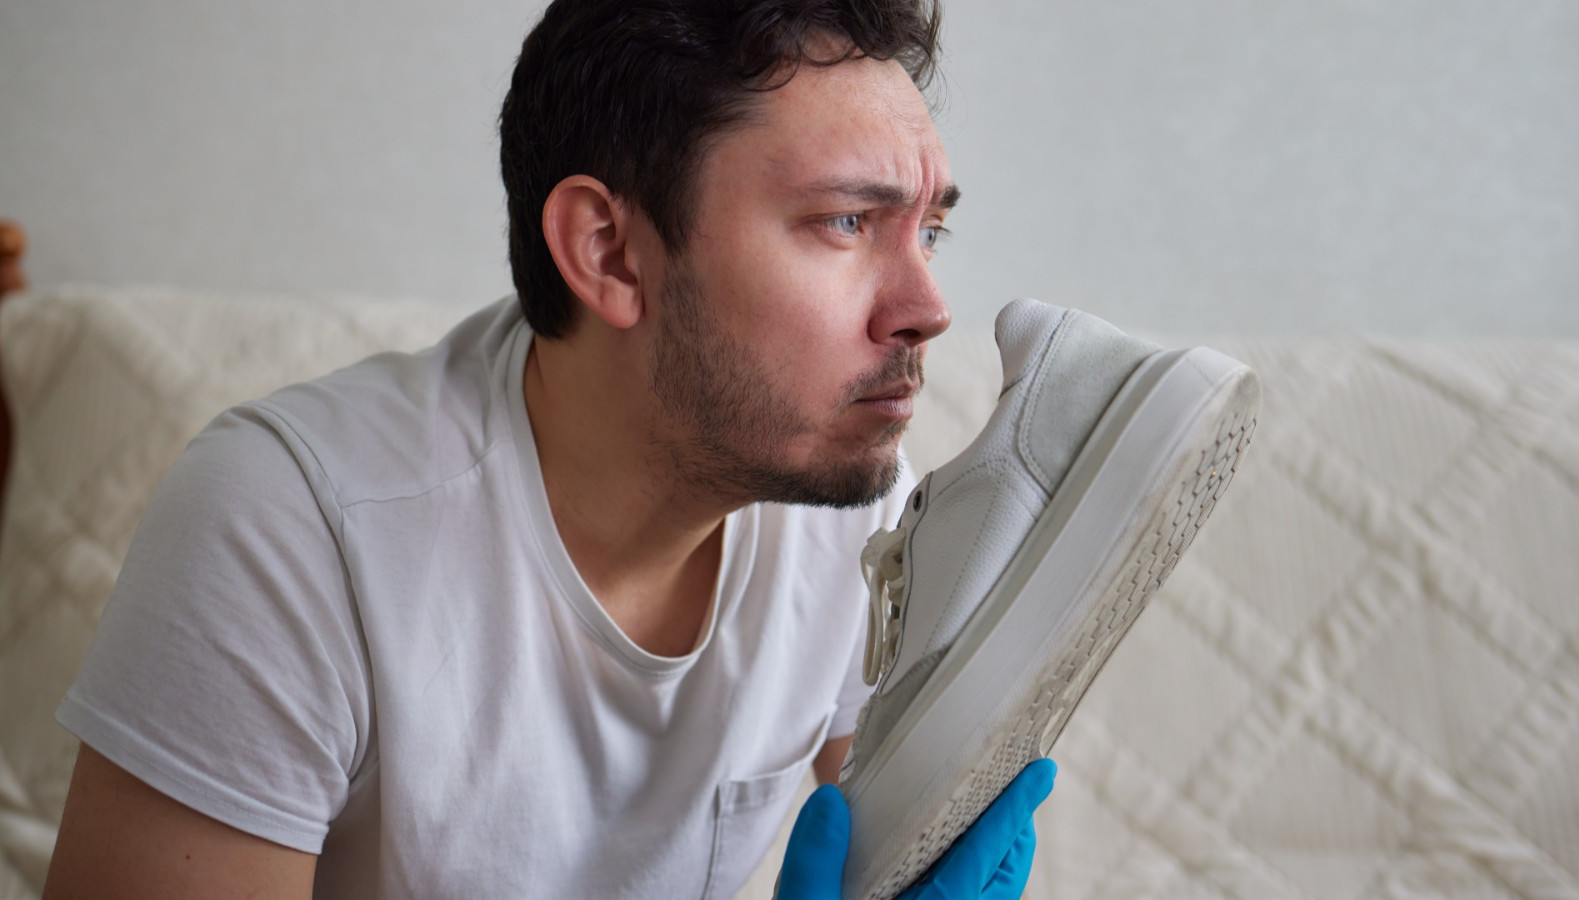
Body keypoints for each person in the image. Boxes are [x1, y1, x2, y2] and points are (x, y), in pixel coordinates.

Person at [41, 1, 1052, 897]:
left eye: (930, 234)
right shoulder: (293, 528)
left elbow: (883, 839)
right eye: (844, 221)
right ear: (609, 252)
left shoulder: (852, 514)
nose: (927, 308)